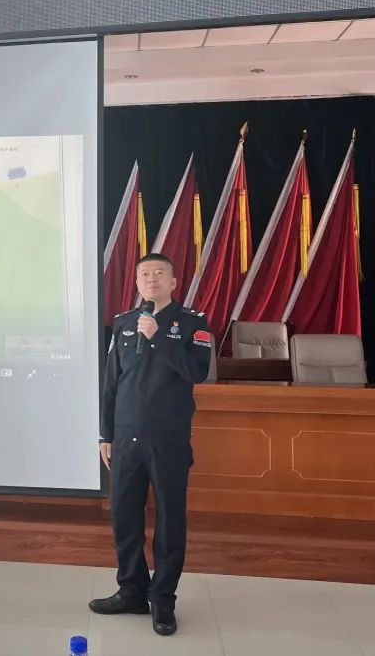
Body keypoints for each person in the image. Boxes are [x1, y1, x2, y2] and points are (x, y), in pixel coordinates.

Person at [89, 253, 212, 636]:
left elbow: (196, 372)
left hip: (168, 439)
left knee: (170, 520)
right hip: (126, 437)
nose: (151, 279)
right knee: (124, 517)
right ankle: (131, 591)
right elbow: (112, 383)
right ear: (137, 282)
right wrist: (106, 434)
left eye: (159, 273)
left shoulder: (193, 322)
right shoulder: (125, 322)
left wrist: (158, 337)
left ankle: (163, 599)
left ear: (173, 282)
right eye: (144, 274)